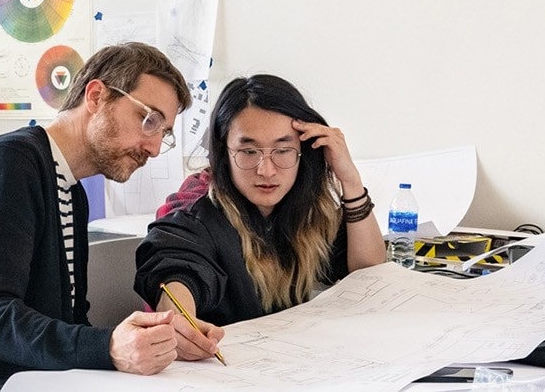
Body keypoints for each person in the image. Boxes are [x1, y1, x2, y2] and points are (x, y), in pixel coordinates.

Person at [0, 42, 196, 389]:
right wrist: (108, 346)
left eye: (163, 133)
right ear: (95, 97)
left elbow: (70, 320)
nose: (154, 148)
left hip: (39, 380)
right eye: (148, 120)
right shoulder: (10, 164)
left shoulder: (70, 188)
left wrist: (147, 343)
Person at [133, 74, 387, 362]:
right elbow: (177, 265)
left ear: (304, 150)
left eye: (282, 151)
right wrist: (179, 321)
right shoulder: (197, 214)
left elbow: (370, 275)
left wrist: (350, 180)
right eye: (249, 151)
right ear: (223, 152)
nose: (266, 170)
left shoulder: (307, 212)